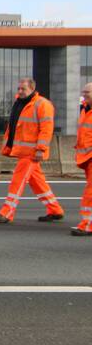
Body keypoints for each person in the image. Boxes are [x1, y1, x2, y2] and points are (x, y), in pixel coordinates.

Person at [0, 78, 64, 224]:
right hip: (24, 150)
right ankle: (55, 209)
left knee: (17, 181)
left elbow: (46, 129)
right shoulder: (20, 103)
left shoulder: (43, 104)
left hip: (31, 152)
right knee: (37, 182)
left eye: (23, 89)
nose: (19, 91)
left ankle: (7, 212)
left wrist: (40, 149)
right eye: (18, 88)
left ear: (32, 89)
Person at [73, 82, 92, 236]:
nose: (84, 94)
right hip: (86, 157)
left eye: (87, 92)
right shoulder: (85, 110)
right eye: (83, 91)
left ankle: (87, 224)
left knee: (90, 193)